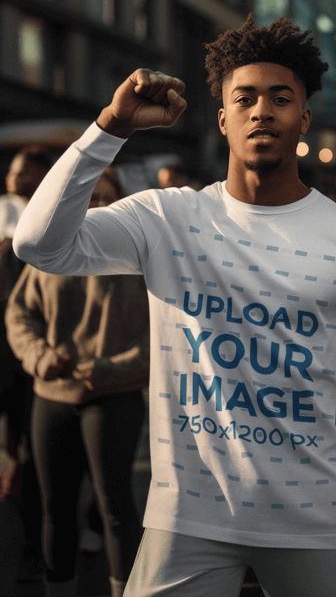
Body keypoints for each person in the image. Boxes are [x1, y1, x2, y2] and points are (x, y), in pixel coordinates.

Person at [13, 15, 336, 597]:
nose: (262, 110)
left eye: (281, 99)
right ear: (224, 118)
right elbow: (38, 244)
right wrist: (109, 127)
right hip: (187, 518)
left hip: (314, 522)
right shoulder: (166, 218)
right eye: (245, 98)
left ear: (304, 120)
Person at [6, 168, 150, 597]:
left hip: (115, 399)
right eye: (90, 198)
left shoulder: (138, 261)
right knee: (56, 510)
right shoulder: (51, 252)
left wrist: (110, 369)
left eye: (108, 199)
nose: (98, 207)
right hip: (51, 396)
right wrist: (39, 356)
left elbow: (163, 338)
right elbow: (19, 314)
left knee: (116, 509)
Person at [0, 147, 52, 594]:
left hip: (29, 350)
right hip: (7, 348)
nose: (16, 180)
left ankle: (36, 551)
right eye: (14, 173)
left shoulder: (48, 215)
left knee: (34, 455)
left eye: (25, 174)